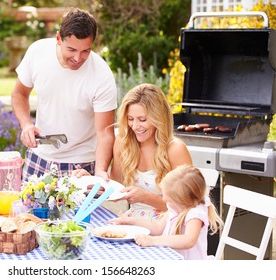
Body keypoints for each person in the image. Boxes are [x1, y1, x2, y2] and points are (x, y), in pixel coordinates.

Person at [11, 8, 117, 181]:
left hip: (81, 165)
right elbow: (19, 94)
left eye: (86, 51)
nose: (77, 58)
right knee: (26, 209)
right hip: (39, 158)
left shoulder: (102, 75)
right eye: (72, 49)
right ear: (59, 38)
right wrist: (26, 125)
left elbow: (105, 133)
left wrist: (100, 172)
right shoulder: (37, 52)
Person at [73, 83, 192, 219]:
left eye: (142, 119)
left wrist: (147, 198)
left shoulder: (175, 149)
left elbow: (187, 207)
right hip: (135, 222)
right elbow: (115, 190)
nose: (135, 126)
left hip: (169, 225)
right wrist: (91, 183)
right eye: (130, 119)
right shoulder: (123, 142)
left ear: (159, 118)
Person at [109, 164, 223, 260]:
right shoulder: (176, 208)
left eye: (169, 200)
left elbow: (188, 240)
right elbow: (158, 228)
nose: (164, 200)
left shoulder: (195, 214)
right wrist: (130, 221)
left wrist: (154, 241)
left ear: (183, 201)